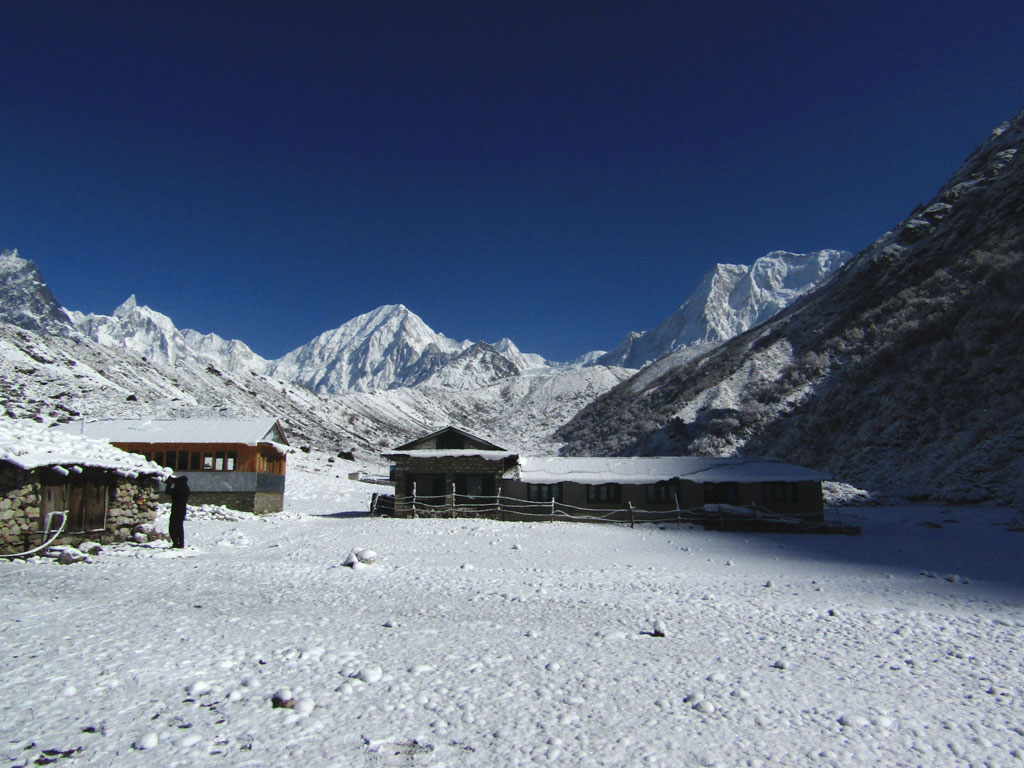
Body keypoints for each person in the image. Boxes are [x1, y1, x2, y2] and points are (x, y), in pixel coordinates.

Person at [167, 475, 190, 548]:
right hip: (182, 510)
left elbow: (168, 492)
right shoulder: (186, 488)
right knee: (179, 527)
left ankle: (176, 543)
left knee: (172, 527)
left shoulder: (179, 488)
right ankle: (180, 543)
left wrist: (169, 483)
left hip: (176, 510)